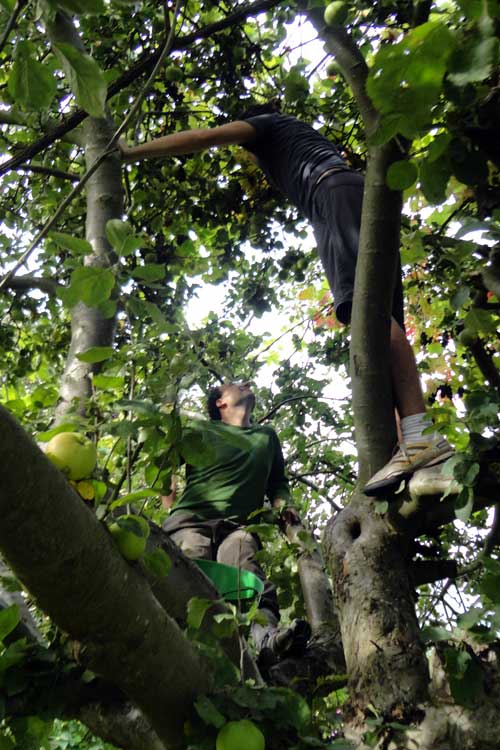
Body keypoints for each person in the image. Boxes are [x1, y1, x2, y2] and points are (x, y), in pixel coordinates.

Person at [120, 103, 453, 495]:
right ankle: (416, 455)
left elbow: (204, 137)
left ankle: (419, 436)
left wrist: (133, 152)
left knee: (369, 315)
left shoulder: (270, 126)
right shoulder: (305, 142)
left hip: (334, 193)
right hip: (358, 197)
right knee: (383, 329)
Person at [161, 381, 311, 662]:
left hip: (238, 527)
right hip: (191, 522)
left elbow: (278, 483)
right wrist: (170, 505)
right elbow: (164, 468)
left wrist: (285, 508)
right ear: (220, 403)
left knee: (247, 572)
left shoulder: (266, 437)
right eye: (235, 384)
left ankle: (266, 640)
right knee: (192, 571)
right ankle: (184, 647)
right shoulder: (199, 430)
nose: (246, 384)